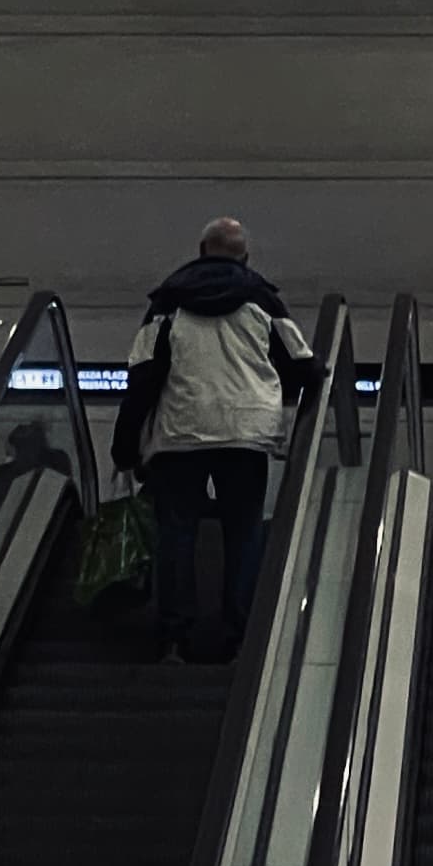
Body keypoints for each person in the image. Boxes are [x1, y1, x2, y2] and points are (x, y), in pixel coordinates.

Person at [113, 218, 315, 661]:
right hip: (246, 432)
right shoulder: (264, 301)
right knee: (243, 532)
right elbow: (303, 364)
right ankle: (242, 636)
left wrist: (124, 446)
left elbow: (143, 376)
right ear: (245, 256)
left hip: (179, 432)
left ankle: (175, 637)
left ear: (201, 249)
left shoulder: (167, 303)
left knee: (177, 533)